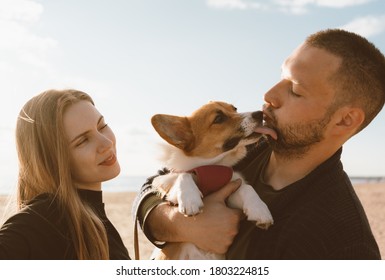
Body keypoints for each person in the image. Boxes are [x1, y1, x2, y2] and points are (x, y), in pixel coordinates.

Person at [133, 29, 384, 259]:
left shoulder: (346, 244)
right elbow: (151, 187)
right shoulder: (246, 146)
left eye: (295, 90)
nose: (269, 95)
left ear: (345, 120)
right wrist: (180, 224)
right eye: (280, 77)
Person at [0, 89, 130, 260]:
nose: (106, 143)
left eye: (102, 126)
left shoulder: (91, 215)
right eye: (83, 141)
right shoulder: (40, 222)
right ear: (52, 160)